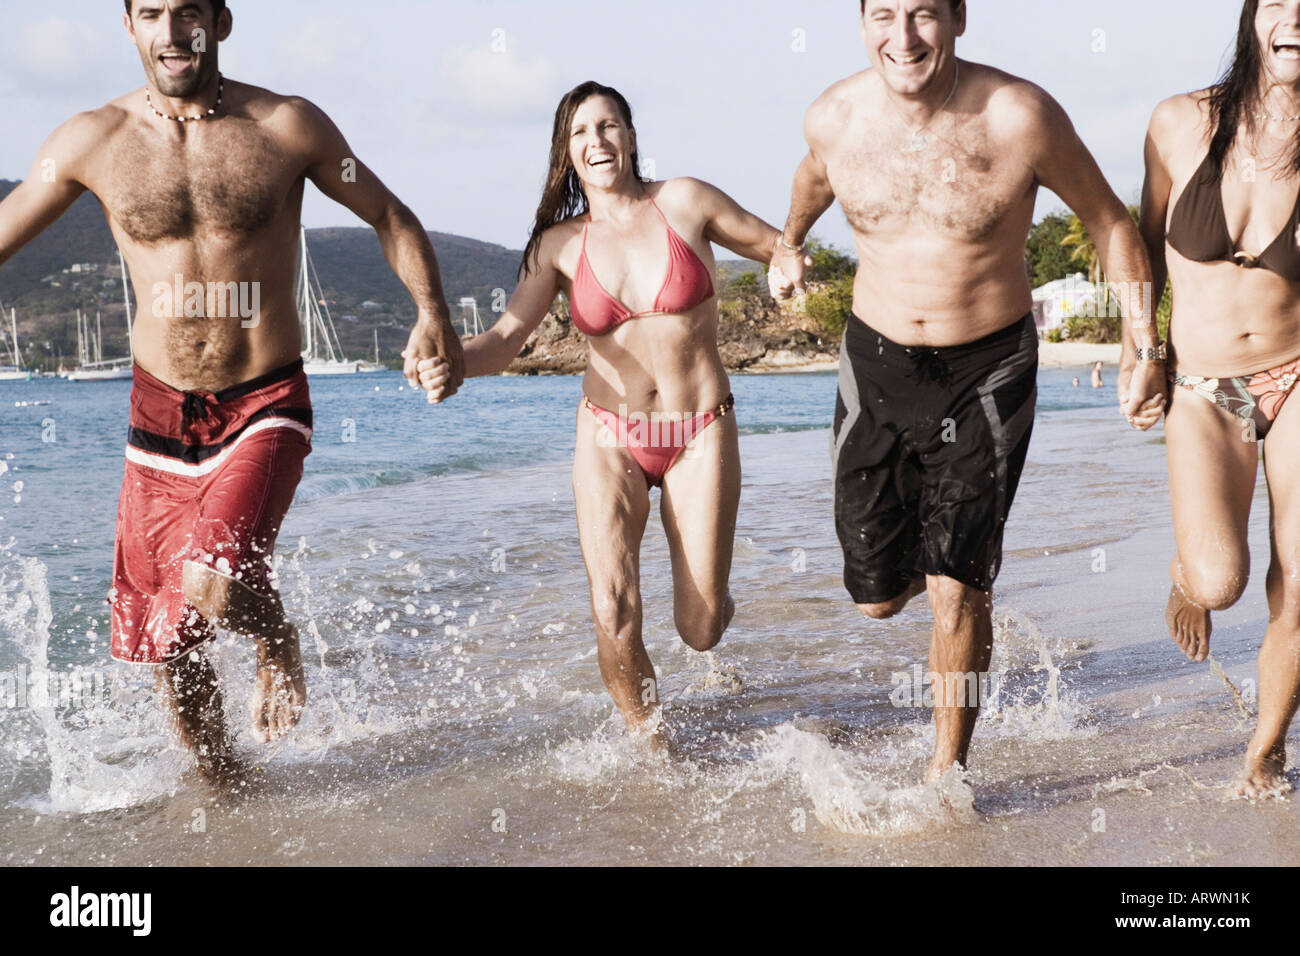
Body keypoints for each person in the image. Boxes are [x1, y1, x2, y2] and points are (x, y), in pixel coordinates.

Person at [0, 0, 464, 783]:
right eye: (152, 12)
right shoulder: (90, 140)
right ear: (129, 26)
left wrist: (433, 316)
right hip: (156, 417)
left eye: (188, 12)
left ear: (220, 20)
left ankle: (275, 634)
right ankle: (233, 799)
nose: (171, 32)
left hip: (263, 400)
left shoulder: (289, 127)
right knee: (169, 653)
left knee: (212, 586)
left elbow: (388, 213)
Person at [769, 0, 1164, 784]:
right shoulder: (834, 117)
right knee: (877, 599)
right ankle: (955, 550)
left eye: (923, 14)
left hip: (987, 367)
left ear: (957, 18)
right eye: (884, 15)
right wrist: (788, 242)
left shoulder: (1019, 116)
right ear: (862, 23)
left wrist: (1142, 345)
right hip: (875, 363)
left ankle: (945, 774)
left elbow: (1112, 222)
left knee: (956, 586)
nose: (904, 37)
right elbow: (815, 180)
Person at [419, 82, 786, 745]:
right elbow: (503, 343)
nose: (597, 141)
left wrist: (790, 266)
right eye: (581, 132)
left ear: (632, 135)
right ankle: (655, 747)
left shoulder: (686, 201)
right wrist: (451, 359)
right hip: (608, 434)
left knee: (698, 629)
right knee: (612, 608)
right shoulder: (557, 246)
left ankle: (717, 602)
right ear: (567, 152)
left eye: (609, 125)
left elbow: (774, 244)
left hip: (699, 428)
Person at [1141, 0, 1300, 798]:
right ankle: (1185, 574)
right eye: (1278, 0)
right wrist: (1141, 350)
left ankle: (1264, 755)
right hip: (1202, 386)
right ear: (1252, 19)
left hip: (1298, 373)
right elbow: (1138, 244)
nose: (1296, 17)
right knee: (1219, 582)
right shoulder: (1178, 124)